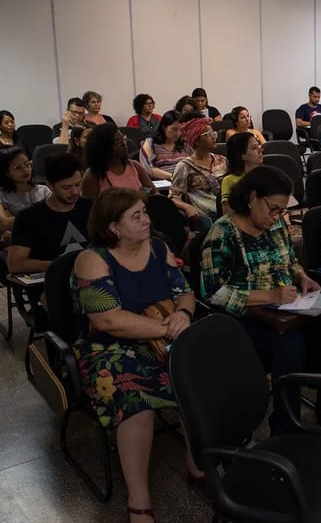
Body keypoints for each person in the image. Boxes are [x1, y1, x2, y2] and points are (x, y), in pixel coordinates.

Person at [71, 188, 199, 523]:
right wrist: (165, 328)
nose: (147, 220)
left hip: (163, 329)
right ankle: (139, 500)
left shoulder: (158, 247)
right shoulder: (92, 259)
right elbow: (108, 320)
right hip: (108, 348)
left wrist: (183, 315)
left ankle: (197, 464)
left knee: (197, 378)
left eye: (145, 212)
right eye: (136, 216)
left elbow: (183, 291)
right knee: (135, 399)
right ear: (113, 227)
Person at [200, 166, 321, 435]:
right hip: (240, 319)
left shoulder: (275, 224)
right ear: (252, 197)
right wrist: (269, 296)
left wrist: (301, 276)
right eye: (273, 208)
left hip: (284, 308)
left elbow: (289, 260)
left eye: (282, 210)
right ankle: (286, 427)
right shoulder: (222, 234)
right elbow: (214, 292)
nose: (278, 216)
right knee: (290, 344)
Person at [8, 152, 91, 275]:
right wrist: (62, 265)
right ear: (50, 186)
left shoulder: (91, 207)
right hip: (52, 283)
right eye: (66, 188)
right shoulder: (29, 217)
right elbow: (16, 264)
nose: (75, 192)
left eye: (78, 185)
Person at [169, 115, 227, 228]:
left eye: (213, 134)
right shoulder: (184, 166)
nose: (214, 137)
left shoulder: (222, 160)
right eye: (208, 135)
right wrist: (187, 207)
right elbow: (174, 197)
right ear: (196, 140)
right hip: (206, 214)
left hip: (226, 208)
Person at [81, 123, 154, 200]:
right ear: (103, 146)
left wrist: (146, 194)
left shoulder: (135, 166)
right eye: (117, 141)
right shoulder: (93, 175)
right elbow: (89, 207)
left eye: (124, 139)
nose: (124, 144)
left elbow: (153, 193)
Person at [0, 147, 51, 243]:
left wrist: (14, 222)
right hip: (15, 245)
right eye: (18, 168)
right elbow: (3, 223)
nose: (25, 170)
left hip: (44, 239)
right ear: (7, 173)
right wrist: (41, 215)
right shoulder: (1, 195)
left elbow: (54, 217)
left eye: (27, 164)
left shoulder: (43, 190)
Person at [138, 110, 191, 181]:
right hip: (164, 183)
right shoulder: (150, 143)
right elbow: (149, 169)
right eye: (174, 129)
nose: (178, 133)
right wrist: (173, 176)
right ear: (164, 127)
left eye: (181, 129)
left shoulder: (184, 143)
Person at [220, 131, 263, 213]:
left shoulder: (267, 174)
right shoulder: (229, 181)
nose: (260, 149)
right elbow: (228, 214)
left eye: (259, 145)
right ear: (242, 155)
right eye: (254, 148)